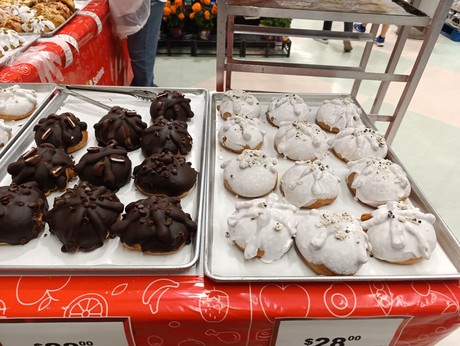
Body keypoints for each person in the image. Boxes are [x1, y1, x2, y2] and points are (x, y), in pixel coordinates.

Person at [127, 0, 166, 86]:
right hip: (141, 4)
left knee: (142, 54)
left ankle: (144, 93)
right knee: (143, 52)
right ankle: (147, 88)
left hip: (146, 4)